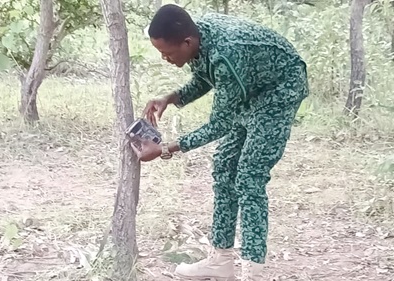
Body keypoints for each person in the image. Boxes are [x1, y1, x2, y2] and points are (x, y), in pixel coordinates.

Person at [131, 4, 309, 281]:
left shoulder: (227, 54)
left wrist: (165, 149)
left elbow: (219, 124)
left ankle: (252, 271)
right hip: (250, 86)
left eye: (167, 53)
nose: (165, 59)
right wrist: (172, 97)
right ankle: (221, 260)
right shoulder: (198, 37)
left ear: (187, 42)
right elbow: (208, 77)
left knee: (250, 175)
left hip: (280, 88)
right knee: (225, 166)